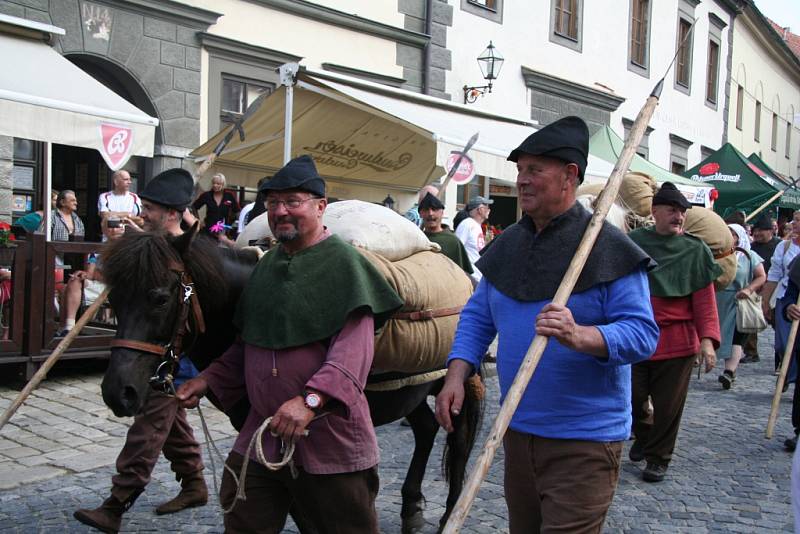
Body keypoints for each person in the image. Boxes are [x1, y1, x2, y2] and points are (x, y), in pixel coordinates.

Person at [435, 116, 659, 533]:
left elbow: (643, 335)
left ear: (569, 175)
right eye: (520, 170)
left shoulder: (608, 248)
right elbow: (477, 317)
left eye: (535, 170)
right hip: (517, 429)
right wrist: (456, 373)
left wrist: (580, 335)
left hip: (585, 440)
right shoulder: (508, 244)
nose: (522, 180)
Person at [176, 155, 403, 533]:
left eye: (292, 202)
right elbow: (249, 342)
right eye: (272, 204)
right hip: (262, 436)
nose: (280, 211)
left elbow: (353, 355)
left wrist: (310, 401)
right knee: (243, 523)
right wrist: (208, 379)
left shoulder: (346, 265)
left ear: (320, 206)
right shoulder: (266, 266)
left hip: (328, 442)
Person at [74, 169, 207, 533]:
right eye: (143, 206)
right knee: (170, 423)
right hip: (146, 356)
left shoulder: (190, 253)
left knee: (147, 430)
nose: (142, 213)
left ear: (172, 213)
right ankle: (195, 485)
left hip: (172, 360)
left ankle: (115, 506)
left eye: (149, 208)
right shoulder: (153, 243)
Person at [627, 182, 721, 483]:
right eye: (672, 210)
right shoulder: (633, 243)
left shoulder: (695, 250)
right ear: (655, 212)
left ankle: (658, 459)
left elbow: (705, 302)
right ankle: (644, 434)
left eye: (682, 211)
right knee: (633, 396)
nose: (678, 216)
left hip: (678, 342)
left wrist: (707, 341)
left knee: (669, 407)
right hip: (638, 337)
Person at [714, 224, 766, 388]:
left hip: (740, 300)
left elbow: (761, 276)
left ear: (739, 236)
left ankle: (729, 372)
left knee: (737, 336)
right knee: (720, 335)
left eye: (732, 234)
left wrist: (749, 289)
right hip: (719, 299)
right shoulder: (718, 254)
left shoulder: (749, 256)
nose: (729, 236)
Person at [57, 218, 125, 336]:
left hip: (115, 288)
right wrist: (82, 274)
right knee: (72, 282)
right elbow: (90, 273)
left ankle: (67, 329)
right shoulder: (96, 248)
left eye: (117, 225)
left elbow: (117, 276)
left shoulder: (126, 248)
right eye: (110, 226)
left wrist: (98, 275)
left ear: (123, 228)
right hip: (98, 285)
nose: (114, 229)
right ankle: (67, 327)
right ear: (104, 230)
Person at [762, 210, 800, 378]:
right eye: (795, 220)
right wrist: (765, 301)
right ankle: (788, 371)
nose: (795, 223)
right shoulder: (784, 246)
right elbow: (774, 274)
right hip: (786, 299)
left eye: (799, 220)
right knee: (784, 344)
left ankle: (790, 375)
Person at [744, 215, 782, 363]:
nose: (757, 234)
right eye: (755, 231)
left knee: (777, 322)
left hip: (774, 290)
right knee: (750, 321)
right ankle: (751, 352)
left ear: (770, 231)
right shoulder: (751, 248)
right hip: (754, 287)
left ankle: (781, 353)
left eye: (761, 231)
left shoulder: (779, 246)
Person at [418, 191, 473, 275]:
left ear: (442, 213)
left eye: (434, 209)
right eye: (426, 210)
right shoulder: (417, 239)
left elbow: (463, 274)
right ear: (421, 214)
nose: (430, 213)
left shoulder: (453, 241)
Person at [454, 195, 493, 284]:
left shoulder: (476, 225)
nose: (489, 210)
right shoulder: (467, 224)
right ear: (480, 209)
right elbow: (457, 248)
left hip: (478, 277)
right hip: (470, 278)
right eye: (487, 207)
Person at [192, 173, 239, 238]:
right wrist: (198, 221)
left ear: (223, 184)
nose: (215, 185)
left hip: (222, 232)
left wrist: (231, 224)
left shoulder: (229, 196)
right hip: (207, 230)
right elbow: (194, 207)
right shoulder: (206, 195)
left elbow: (237, 211)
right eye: (213, 183)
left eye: (218, 184)